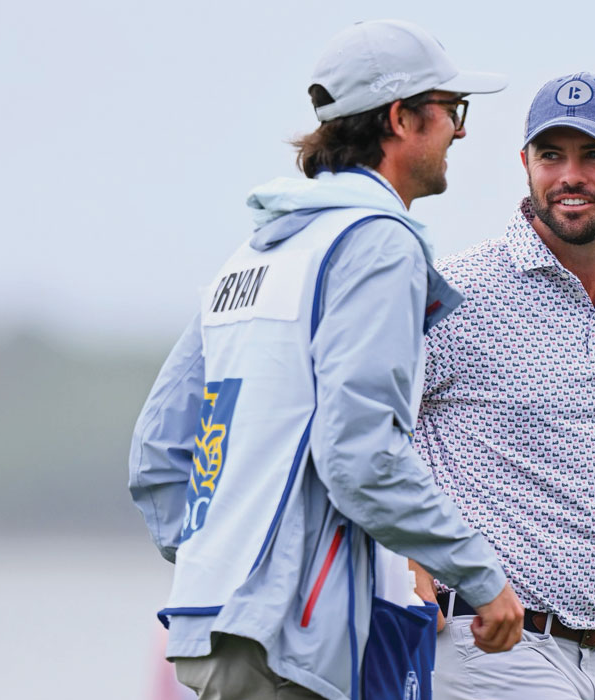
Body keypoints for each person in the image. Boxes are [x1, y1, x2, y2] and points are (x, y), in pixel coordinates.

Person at [128, 20, 524, 700]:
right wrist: (481, 579)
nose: (460, 132)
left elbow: (157, 456)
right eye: (450, 111)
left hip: (209, 625)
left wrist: (217, 562)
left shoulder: (255, 251)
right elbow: (361, 457)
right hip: (292, 642)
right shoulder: (378, 245)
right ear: (400, 119)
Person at [412, 72, 595, 699]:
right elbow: (365, 432)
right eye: (551, 155)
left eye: (594, 155)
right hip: (483, 647)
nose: (570, 176)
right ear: (526, 164)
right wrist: (411, 572)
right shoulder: (457, 289)